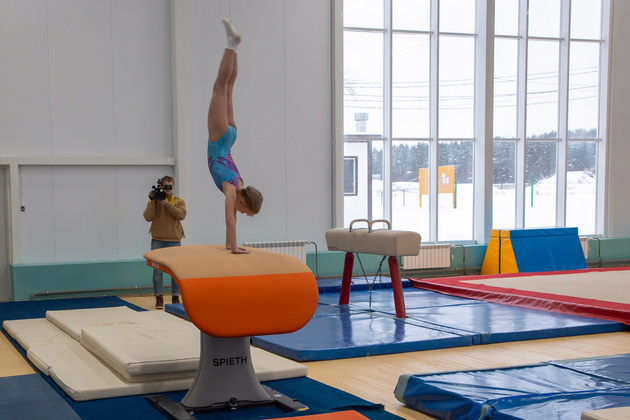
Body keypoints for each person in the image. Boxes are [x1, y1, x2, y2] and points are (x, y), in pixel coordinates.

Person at [207, 17, 263, 254]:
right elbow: (230, 220)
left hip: (230, 136)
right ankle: (231, 43)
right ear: (242, 201)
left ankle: (234, 45)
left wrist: (232, 245)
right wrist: (233, 249)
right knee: (220, 86)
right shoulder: (232, 190)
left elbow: (233, 218)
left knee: (229, 88)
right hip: (220, 137)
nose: (243, 214)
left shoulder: (239, 184)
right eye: (246, 211)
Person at [143, 176, 187, 308]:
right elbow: (147, 217)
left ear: (173, 186)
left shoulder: (178, 201)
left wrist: (166, 204)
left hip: (174, 240)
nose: (168, 189)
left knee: (175, 271)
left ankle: (175, 297)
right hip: (158, 240)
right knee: (157, 271)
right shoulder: (155, 202)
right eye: (165, 186)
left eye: (170, 186)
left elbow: (182, 215)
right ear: (161, 186)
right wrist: (153, 201)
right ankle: (159, 298)